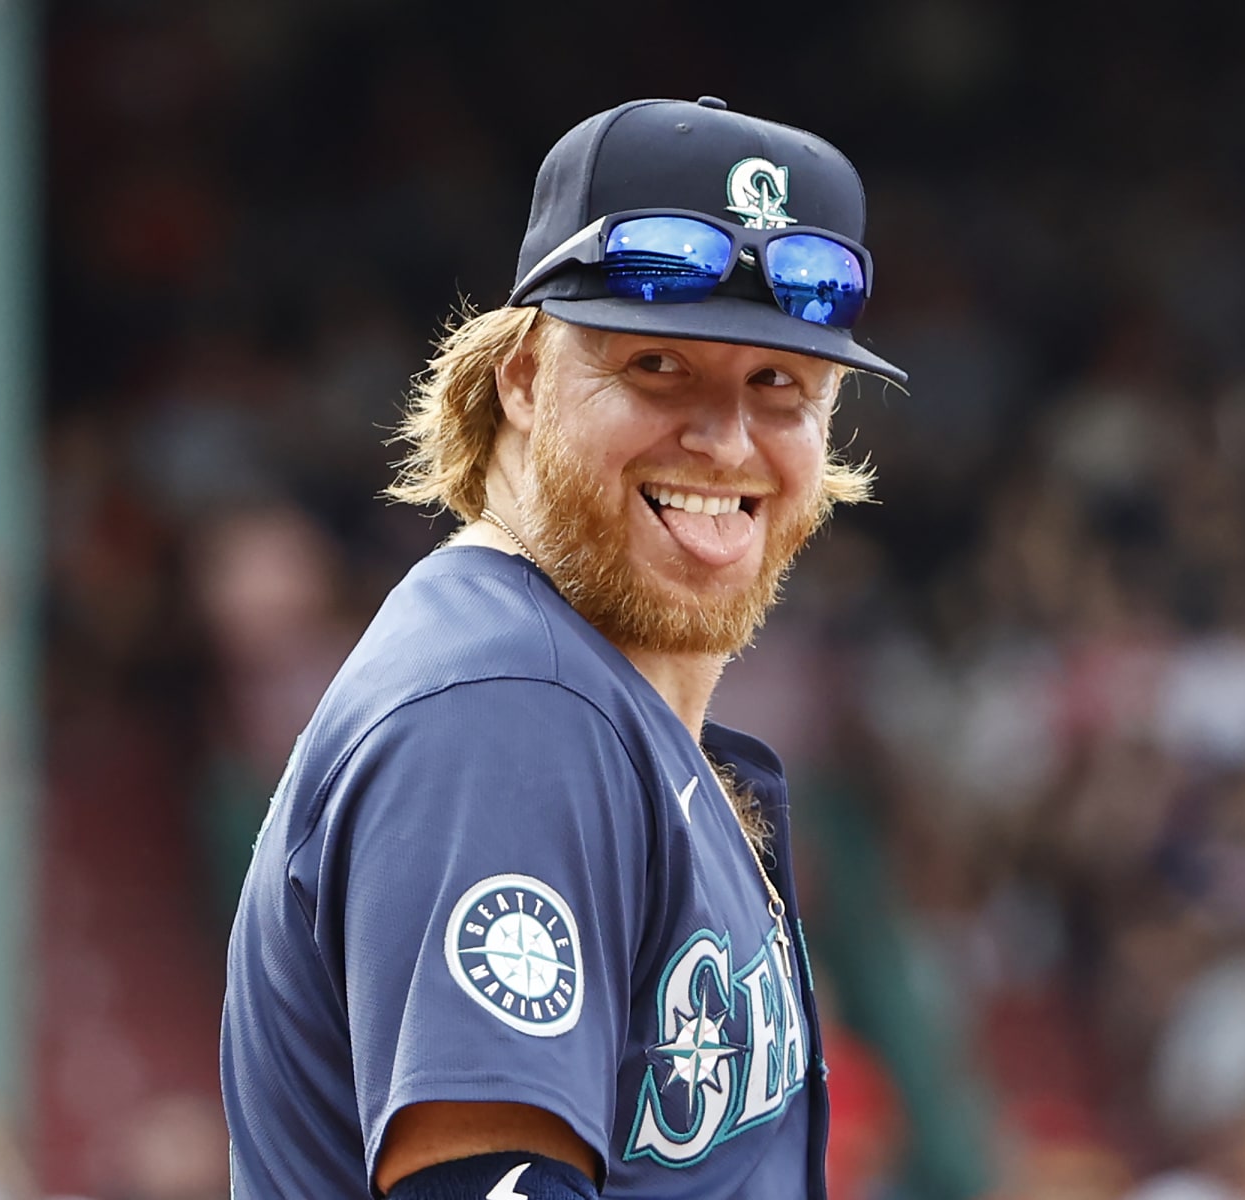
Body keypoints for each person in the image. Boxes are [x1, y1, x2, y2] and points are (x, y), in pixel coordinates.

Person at [220, 96, 906, 1200]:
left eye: (780, 383)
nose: (727, 439)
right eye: (657, 367)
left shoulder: (586, 703)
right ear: (525, 378)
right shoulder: (508, 713)